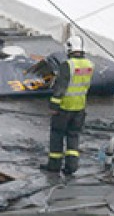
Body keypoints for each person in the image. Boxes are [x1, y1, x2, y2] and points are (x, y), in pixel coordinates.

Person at [41, 35, 95, 175]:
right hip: (80, 107)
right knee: (73, 136)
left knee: (57, 135)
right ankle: (71, 167)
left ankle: (54, 165)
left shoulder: (67, 65)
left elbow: (60, 88)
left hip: (64, 108)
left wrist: (53, 106)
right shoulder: (90, 65)